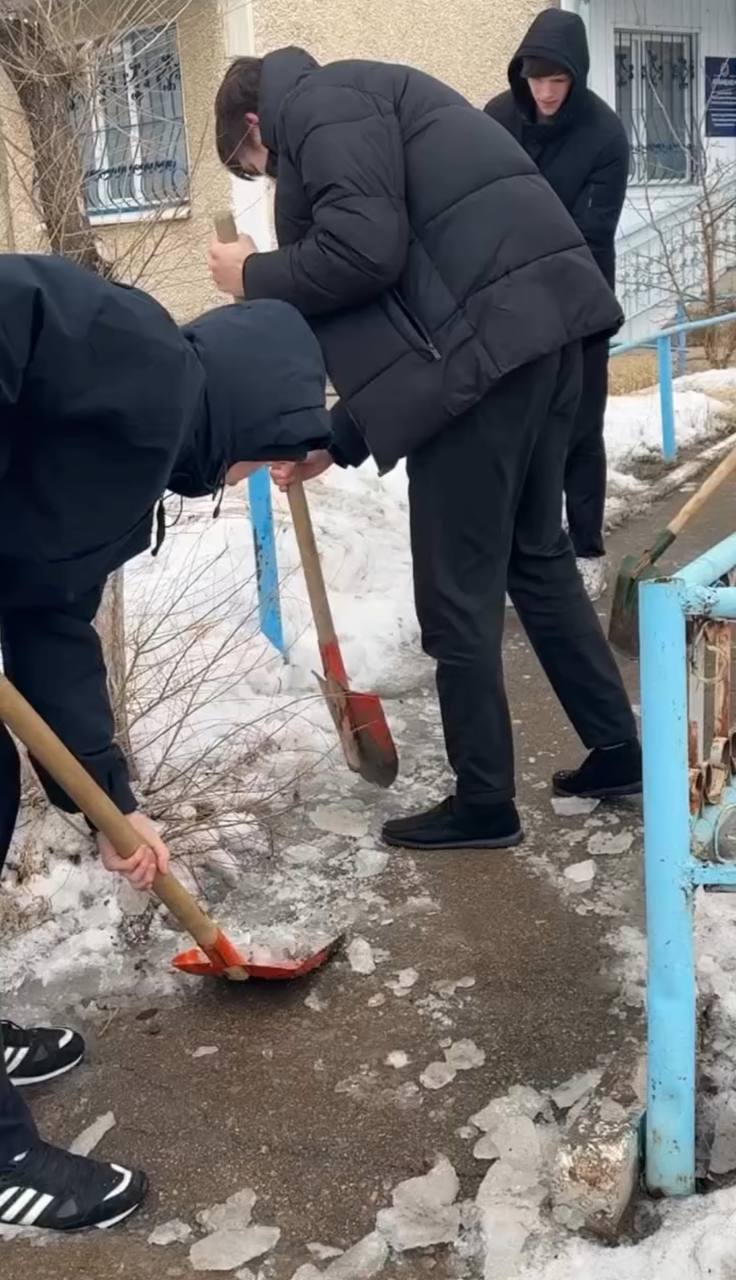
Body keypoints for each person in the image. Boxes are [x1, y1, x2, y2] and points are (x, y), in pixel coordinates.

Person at [209, 48, 642, 856]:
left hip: (485, 367)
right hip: (537, 342)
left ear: (256, 123)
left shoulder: (320, 107)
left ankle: (484, 802)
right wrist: (334, 441)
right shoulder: (365, 95)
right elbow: (415, 306)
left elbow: (363, 252)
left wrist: (254, 274)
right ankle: (618, 748)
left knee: (457, 594)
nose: (272, 180)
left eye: (257, 165)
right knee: (536, 557)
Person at [0, 251, 330, 1230]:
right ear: (252, 413)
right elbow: (11, 304)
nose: (253, 477)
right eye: (269, 457)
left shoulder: (131, 469)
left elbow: (48, 617)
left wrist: (109, 799)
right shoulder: (142, 359)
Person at [485, 9, 629, 601]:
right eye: (535, 78)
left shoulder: (605, 135)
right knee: (516, 432)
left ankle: (587, 547)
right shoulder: (497, 118)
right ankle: (520, 550)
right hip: (507, 306)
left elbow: (588, 236)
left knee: (579, 429)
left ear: (577, 76)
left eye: (557, 80)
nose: (544, 92)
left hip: (581, 303)